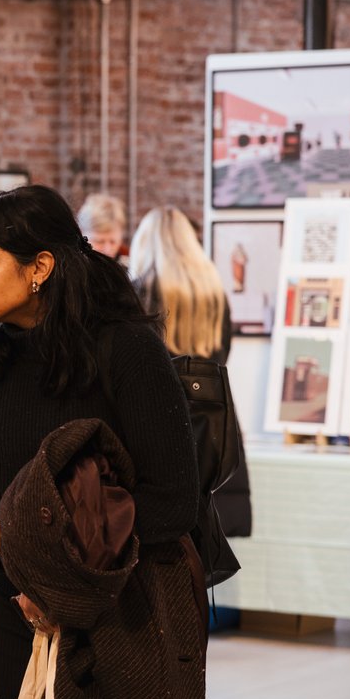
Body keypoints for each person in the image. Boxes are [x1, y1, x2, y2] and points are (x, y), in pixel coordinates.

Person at [0, 186, 205, 699]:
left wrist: (64, 583)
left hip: (126, 616)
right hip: (21, 612)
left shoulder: (127, 351)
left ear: (39, 266)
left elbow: (173, 497)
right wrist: (18, 552)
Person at [129, 206, 251, 537]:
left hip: (161, 422)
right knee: (205, 542)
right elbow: (222, 352)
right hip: (213, 420)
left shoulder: (141, 292)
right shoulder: (213, 294)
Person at [76, 192, 128, 261]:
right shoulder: (66, 267)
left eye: (113, 242)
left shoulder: (132, 266)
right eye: (100, 242)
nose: (107, 250)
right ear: (81, 234)